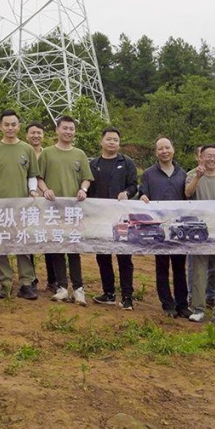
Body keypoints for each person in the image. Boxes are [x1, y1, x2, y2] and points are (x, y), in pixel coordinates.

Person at [0, 110, 40, 300]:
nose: (10, 128)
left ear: (19, 126)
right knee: (1, 244)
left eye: (13, 124)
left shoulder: (27, 149)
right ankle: (5, 282)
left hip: (21, 206)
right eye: (6, 124)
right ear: (0, 126)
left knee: (22, 243)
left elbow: (32, 175)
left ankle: (26, 283)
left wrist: (32, 190)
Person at [38, 115, 93, 306]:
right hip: (53, 209)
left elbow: (86, 178)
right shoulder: (47, 153)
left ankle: (78, 289)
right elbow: (39, 177)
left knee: (73, 249)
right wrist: (45, 190)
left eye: (71, 129)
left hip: (74, 210)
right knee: (56, 248)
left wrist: (83, 189)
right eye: (65, 128)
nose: (68, 132)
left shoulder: (80, 154)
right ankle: (61, 287)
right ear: (57, 130)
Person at [139, 137, 190, 319]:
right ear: (156, 153)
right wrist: (143, 197)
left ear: (173, 150)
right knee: (162, 266)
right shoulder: (148, 174)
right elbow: (142, 194)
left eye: (167, 147)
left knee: (179, 267)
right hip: (158, 229)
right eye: (160, 148)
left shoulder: (183, 174)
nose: (164, 151)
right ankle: (167, 304)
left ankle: (182, 304)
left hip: (178, 229)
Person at [184, 144, 215, 325]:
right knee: (199, 272)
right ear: (201, 158)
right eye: (209, 156)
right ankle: (198, 309)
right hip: (199, 232)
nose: (212, 159)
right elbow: (188, 193)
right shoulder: (192, 175)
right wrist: (198, 177)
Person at [88, 127, 138, 310]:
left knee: (124, 257)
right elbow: (88, 187)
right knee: (102, 256)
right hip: (99, 218)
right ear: (101, 142)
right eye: (109, 139)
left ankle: (127, 297)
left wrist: (126, 192)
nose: (112, 142)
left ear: (119, 143)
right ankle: (108, 292)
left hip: (121, 218)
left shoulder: (126, 163)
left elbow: (134, 186)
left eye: (115, 140)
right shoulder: (93, 164)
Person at [25, 121, 55, 293]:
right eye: (32, 133)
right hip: (26, 204)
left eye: (39, 133)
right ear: (26, 135)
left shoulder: (48, 154)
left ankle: (53, 279)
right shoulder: (22, 152)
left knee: (48, 241)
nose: (36, 136)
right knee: (28, 241)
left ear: (44, 136)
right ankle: (30, 278)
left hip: (46, 204)